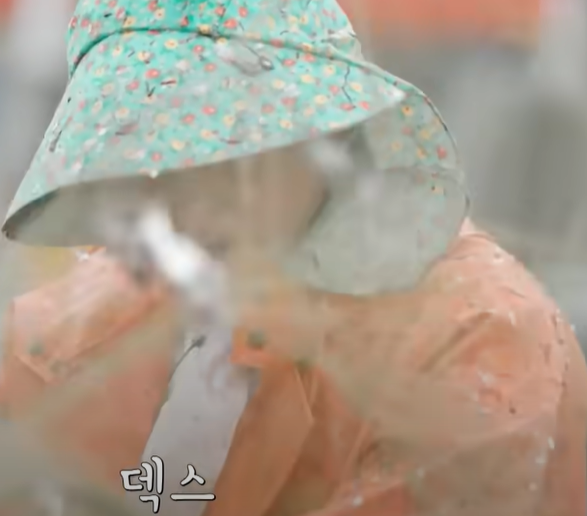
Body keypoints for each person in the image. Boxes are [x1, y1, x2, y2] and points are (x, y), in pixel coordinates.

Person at [0, 1, 586, 516]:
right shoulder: (115, 312)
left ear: (324, 134)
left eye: (225, 149)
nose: (187, 204)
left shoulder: (477, 338)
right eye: (151, 158)